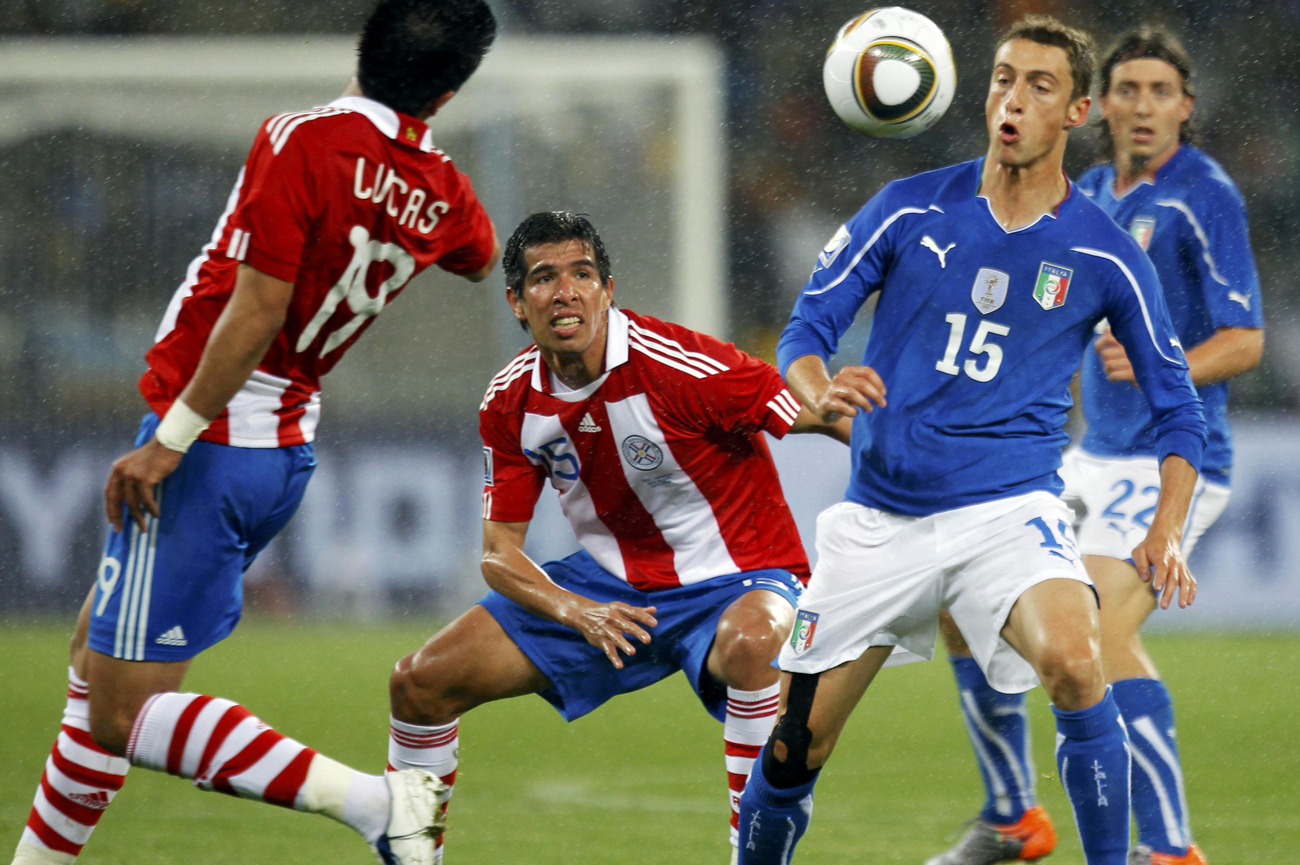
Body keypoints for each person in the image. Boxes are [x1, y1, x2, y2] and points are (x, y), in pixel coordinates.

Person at [11, 3, 500, 864]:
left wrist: (173, 435)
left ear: (363, 44)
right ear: (452, 88)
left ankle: (379, 804)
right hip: (277, 442)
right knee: (98, 657)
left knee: (120, 710)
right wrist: (409, 176)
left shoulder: (303, 136)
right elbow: (480, 251)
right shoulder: (440, 188)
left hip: (215, 436)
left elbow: (258, 303)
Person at [736, 16, 1209, 865]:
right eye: (1001, 79)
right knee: (793, 747)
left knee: (1074, 657)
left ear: (1078, 111)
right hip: (882, 519)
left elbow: (1181, 411)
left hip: (1011, 513)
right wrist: (821, 390)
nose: (1011, 100)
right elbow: (805, 332)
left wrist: (1166, 526)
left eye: (1038, 85)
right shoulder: (907, 208)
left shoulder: (1103, 254)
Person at [383, 210, 850, 864]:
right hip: (606, 587)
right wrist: (578, 609)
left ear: (608, 289)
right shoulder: (511, 401)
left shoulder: (682, 363)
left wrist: (917, 464)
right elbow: (499, 552)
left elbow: (811, 413)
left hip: (737, 575)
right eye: (544, 278)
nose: (566, 290)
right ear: (517, 303)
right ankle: (409, 857)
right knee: (418, 681)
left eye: (582, 273)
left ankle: (752, 854)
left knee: (754, 641)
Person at [929, 26, 1263, 865]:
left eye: (1161, 92)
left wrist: (1167, 359)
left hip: (1173, 463)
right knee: (961, 605)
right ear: (1100, 104)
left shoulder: (1203, 194)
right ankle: (1014, 816)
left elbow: (1247, 338)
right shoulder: (1091, 200)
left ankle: (1170, 848)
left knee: (1103, 635)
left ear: (1186, 107)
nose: (1143, 106)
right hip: (1083, 458)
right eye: (1130, 90)